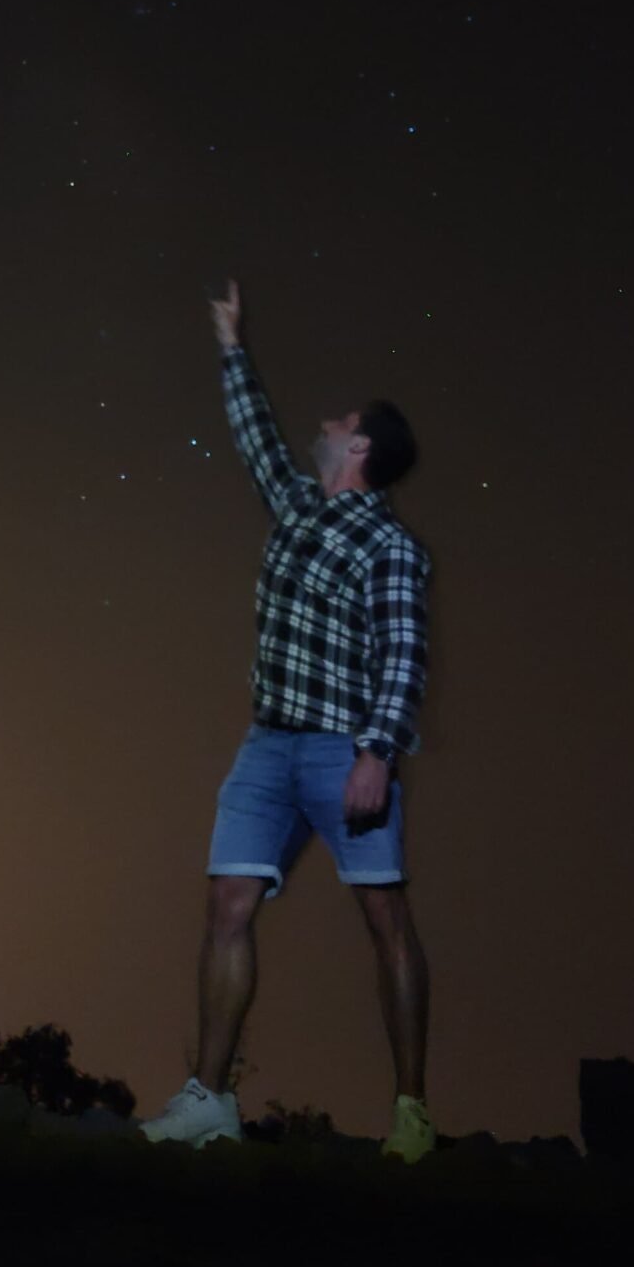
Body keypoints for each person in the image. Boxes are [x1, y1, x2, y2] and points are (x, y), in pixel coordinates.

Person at [140, 278, 436, 1163]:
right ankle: (212, 1100)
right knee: (227, 903)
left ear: (362, 447)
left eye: (339, 421)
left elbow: (404, 653)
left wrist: (376, 752)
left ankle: (412, 1111)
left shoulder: (390, 545)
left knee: (385, 921)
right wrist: (233, 344)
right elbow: (257, 437)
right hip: (268, 742)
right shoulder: (301, 507)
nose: (324, 423)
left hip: (345, 749)